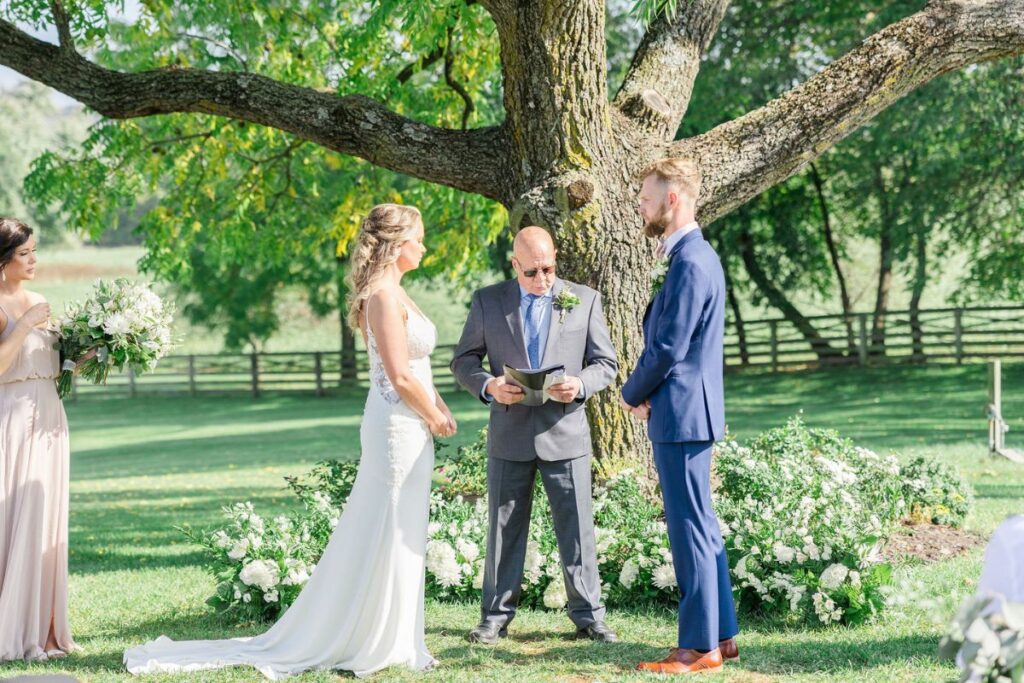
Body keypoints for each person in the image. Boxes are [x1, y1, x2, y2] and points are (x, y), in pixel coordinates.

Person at [125, 204, 457, 679]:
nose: (424, 246)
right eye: (419, 238)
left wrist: (438, 407)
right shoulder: (382, 297)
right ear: (396, 244)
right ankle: (375, 640)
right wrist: (434, 415)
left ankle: (398, 635)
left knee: (402, 527)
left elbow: (420, 368)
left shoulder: (399, 292)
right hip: (395, 428)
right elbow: (400, 375)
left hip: (413, 424)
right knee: (385, 526)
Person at [451, 226, 619, 644]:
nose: (542, 280)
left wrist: (579, 384)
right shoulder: (488, 301)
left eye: (548, 268)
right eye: (532, 272)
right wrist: (489, 386)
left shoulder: (584, 299)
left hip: (565, 433)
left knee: (577, 529)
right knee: (503, 531)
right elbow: (463, 360)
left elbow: (606, 364)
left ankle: (589, 617)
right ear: (514, 265)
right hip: (509, 434)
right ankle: (494, 617)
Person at [619, 158, 739, 674]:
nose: (641, 205)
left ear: (673, 199)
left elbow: (669, 346)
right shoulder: (694, 256)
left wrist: (631, 393)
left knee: (689, 529)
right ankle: (724, 635)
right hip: (688, 410)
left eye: (647, 196)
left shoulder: (690, 261)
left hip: (684, 414)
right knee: (702, 526)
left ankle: (697, 648)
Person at [0, 217, 78, 661]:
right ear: (2, 260)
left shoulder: (41, 299)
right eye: (25, 253)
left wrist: (87, 354)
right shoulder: (8, 307)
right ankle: (12, 626)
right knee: (15, 517)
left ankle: (45, 630)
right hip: (10, 419)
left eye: (35, 251)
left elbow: (51, 361)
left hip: (49, 416)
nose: (34, 260)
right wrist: (25, 322)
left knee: (45, 517)